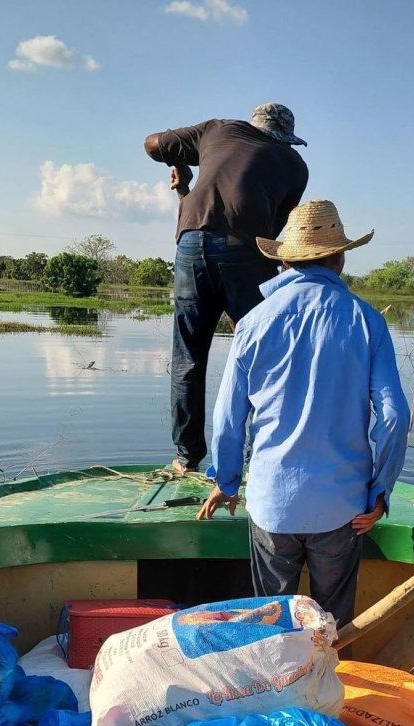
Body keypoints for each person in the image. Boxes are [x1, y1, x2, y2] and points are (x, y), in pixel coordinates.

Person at [197, 200, 410, 629]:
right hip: (343, 509)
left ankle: (279, 689)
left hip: (272, 504)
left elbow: (227, 418)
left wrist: (226, 481)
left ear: (285, 259)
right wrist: (379, 492)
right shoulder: (367, 321)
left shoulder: (253, 323)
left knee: (273, 628)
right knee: (332, 628)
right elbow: (394, 417)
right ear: (340, 256)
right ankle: (331, 686)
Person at [143, 103, 309, 475]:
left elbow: (152, 144)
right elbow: (269, 233)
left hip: (190, 244)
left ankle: (186, 459)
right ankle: (256, 461)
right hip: (245, 250)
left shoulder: (217, 130)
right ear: (285, 138)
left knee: (188, 358)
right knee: (263, 357)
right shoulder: (295, 166)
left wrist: (184, 174)